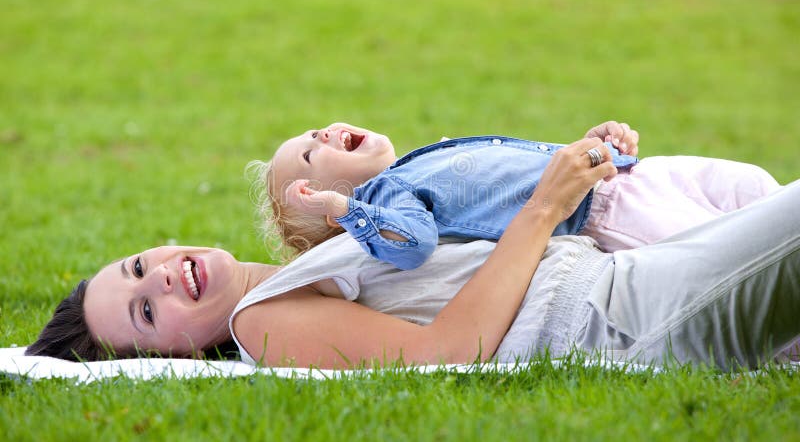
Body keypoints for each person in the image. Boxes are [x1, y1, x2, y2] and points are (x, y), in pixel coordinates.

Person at [26, 139, 800, 370]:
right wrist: (546, 205)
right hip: (619, 318)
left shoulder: (320, 252)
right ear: (180, 356)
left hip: (626, 272)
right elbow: (449, 349)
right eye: (146, 313)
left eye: (137, 269)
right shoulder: (265, 325)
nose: (158, 279)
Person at [256, 121, 779, 270]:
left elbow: (527, 164)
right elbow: (413, 245)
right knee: (745, 253)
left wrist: (592, 142)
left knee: (754, 187)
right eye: (307, 157)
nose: (320, 134)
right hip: (609, 209)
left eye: (310, 132)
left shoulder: (416, 162)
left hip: (632, 174)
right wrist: (347, 211)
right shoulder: (393, 198)